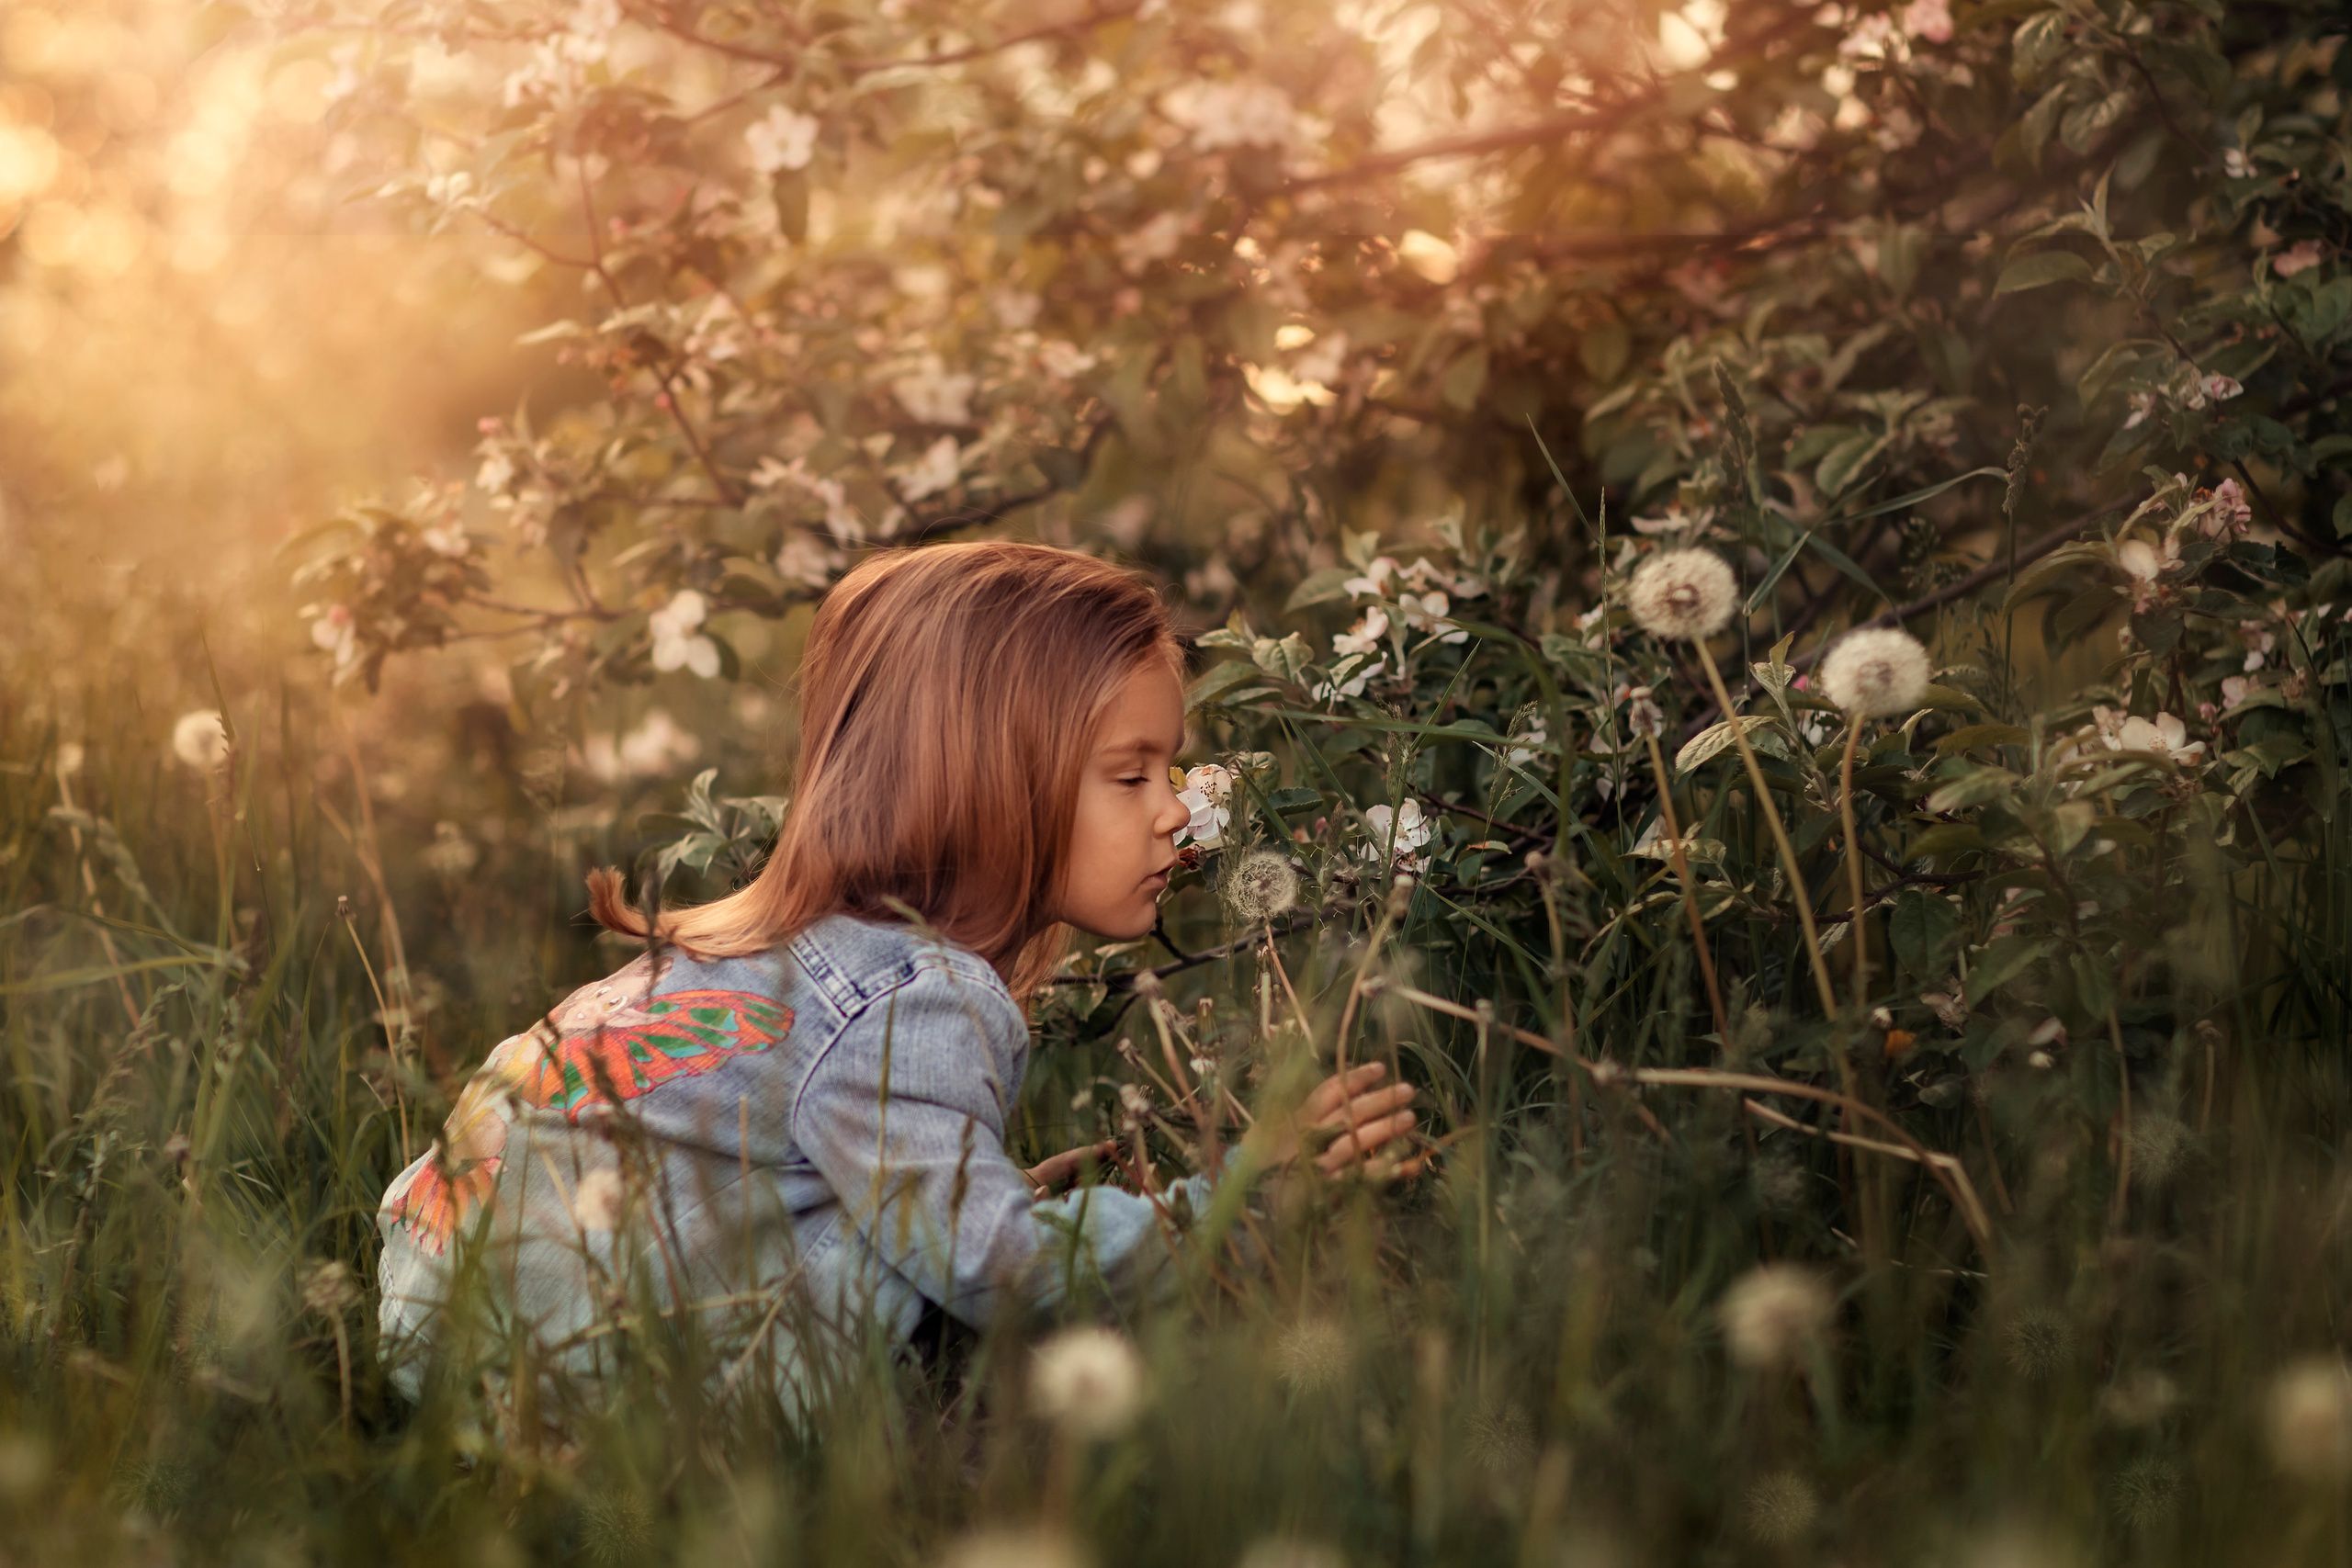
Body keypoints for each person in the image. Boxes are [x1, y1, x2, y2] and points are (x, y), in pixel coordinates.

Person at [374, 540, 1419, 1415]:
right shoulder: (919, 995)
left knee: (881, 1222)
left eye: (1173, 770)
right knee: (946, 1287)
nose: (1175, 810)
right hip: (587, 1379)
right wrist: (1238, 1196)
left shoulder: (737, 956)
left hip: (438, 1317)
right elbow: (996, 1267)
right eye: (1130, 774)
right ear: (987, 783)